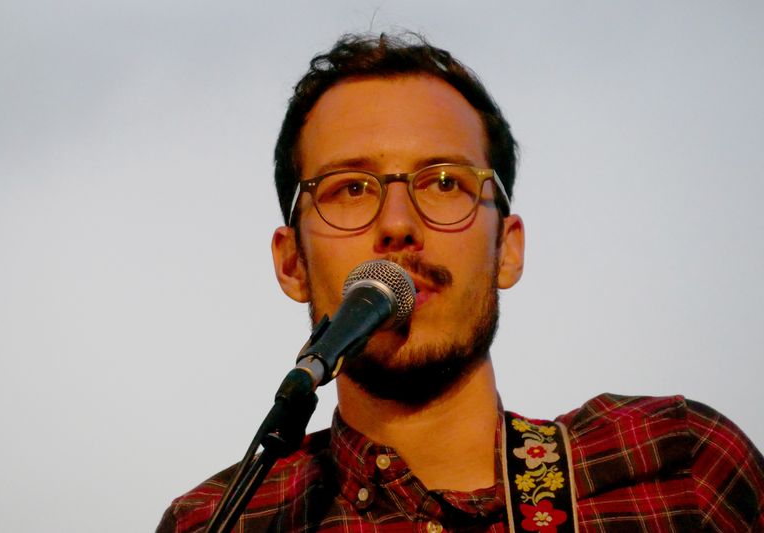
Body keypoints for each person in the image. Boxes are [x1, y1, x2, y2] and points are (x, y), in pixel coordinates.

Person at [157, 33, 764, 532]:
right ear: (292, 262)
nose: (397, 224)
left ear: (507, 249)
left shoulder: (681, 466)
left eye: (445, 182)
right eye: (351, 188)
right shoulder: (217, 522)